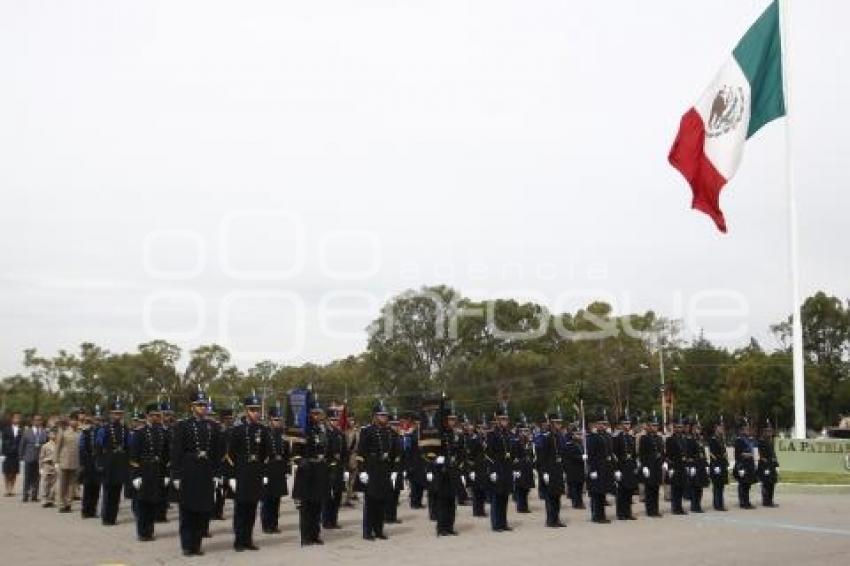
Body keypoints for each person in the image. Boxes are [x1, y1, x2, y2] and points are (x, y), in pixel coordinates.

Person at [171, 389, 222, 557]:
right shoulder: (182, 425)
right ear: (191, 407)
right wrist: (176, 475)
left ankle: (197, 544)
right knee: (187, 511)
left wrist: (216, 474)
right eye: (199, 405)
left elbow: (216, 453)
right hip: (189, 471)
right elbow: (176, 452)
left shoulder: (213, 426)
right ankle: (187, 545)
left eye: (204, 405)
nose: (203, 408)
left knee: (203, 510)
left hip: (206, 471)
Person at [225, 393, 269, 552]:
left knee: (252, 509)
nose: (255, 412)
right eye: (252, 409)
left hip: (255, 473)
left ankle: (248, 539)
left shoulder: (263, 430)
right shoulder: (237, 430)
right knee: (240, 509)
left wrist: (264, 473)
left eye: (257, 409)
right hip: (241, 474)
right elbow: (230, 456)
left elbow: (265, 454)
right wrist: (231, 477)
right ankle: (239, 540)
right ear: (246, 411)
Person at [355, 399, 397, 540]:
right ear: (375, 416)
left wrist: (395, 471)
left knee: (382, 501)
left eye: (385, 415)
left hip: (384, 469)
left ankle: (378, 530)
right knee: (371, 502)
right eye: (381, 415)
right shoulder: (367, 431)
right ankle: (367, 532)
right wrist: (362, 471)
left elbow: (395, 453)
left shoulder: (391, 432)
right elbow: (360, 453)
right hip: (371, 469)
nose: (384, 418)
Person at [292, 397, 330, 546]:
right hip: (307, 472)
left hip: (319, 470)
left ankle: (315, 534)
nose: (317, 416)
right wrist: (302, 462)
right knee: (306, 507)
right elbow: (295, 454)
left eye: (319, 413)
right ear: (308, 414)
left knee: (317, 506)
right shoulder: (301, 430)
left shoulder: (322, 430)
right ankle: (305, 537)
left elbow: (327, 450)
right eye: (314, 413)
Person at [129, 403, 169, 542]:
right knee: (142, 502)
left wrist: (166, 474)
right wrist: (136, 475)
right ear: (147, 416)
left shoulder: (162, 432)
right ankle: (142, 532)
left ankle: (150, 530)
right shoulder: (139, 432)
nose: (155, 417)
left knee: (153, 502)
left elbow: (165, 455)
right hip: (144, 469)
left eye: (158, 415)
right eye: (152, 415)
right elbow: (134, 455)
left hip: (157, 470)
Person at [430, 402, 463, 536]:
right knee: (442, 501)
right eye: (450, 419)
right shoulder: (438, 433)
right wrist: (436, 460)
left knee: (451, 501)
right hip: (441, 471)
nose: (452, 421)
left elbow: (459, 452)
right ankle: (441, 528)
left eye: (454, 419)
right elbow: (428, 450)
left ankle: (449, 526)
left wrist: (459, 465)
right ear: (445, 420)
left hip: (452, 470)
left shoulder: (453, 434)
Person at [96, 399, 130, 525]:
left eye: (120, 413)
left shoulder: (124, 429)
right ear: (110, 414)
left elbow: (128, 446)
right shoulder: (104, 429)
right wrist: (99, 463)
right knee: (108, 492)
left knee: (117, 492)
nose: (118, 416)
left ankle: (113, 517)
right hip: (108, 462)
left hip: (120, 462)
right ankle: (106, 517)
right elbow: (98, 447)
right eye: (115, 413)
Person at [486, 402, 515, 532]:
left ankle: (503, 522)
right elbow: (488, 454)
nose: (505, 421)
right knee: (496, 498)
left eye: (506, 419)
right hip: (497, 469)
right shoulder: (491, 434)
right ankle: (496, 524)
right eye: (502, 419)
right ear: (497, 420)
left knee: (504, 497)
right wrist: (492, 470)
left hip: (507, 469)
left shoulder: (508, 434)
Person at [260, 405, 290, 534]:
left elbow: (287, 454)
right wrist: (263, 472)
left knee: (277, 499)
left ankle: (274, 524)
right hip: (269, 468)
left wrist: (287, 470)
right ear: (270, 419)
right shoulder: (265, 433)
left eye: (279, 419)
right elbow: (261, 453)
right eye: (275, 419)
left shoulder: (283, 434)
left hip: (279, 468)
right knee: (267, 499)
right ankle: (266, 524)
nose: (278, 422)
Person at [536, 411, 566, 527]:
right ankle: (550, 520)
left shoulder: (559, 437)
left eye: (560, 423)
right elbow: (542, 457)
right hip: (549, 470)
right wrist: (544, 472)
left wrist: (564, 470)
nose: (559, 425)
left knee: (557, 496)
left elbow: (562, 454)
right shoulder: (546, 438)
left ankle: (556, 518)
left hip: (558, 469)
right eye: (557, 423)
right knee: (550, 497)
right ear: (552, 423)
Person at [322, 406, 348, 529]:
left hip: (338, 468)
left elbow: (345, 452)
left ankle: (334, 520)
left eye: (336, 419)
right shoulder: (324, 434)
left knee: (337, 495)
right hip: (327, 468)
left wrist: (345, 467)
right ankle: (326, 521)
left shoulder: (340, 434)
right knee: (328, 496)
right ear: (327, 420)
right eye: (332, 419)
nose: (334, 422)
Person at [586, 411, 615, 524]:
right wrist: (592, 470)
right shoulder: (593, 437)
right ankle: (596, 516)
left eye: (604, 423)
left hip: (605, 468)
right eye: (600, 423)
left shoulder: (607, 436)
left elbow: (610, 453)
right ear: (596, 425)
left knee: (602, 493)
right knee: (596, 493)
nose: (602, 425)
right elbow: (591, 454)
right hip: (596, 468)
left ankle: (601, 515)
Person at [54, 411, 82, 513]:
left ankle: (68, 504)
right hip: (64, 461)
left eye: (76, 420)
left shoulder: (79, 432)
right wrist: (56, 462)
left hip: (75, 462)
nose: (75, 422)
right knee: (62, 485)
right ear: (70, 421)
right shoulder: (63, 431)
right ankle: (61, 504)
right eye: (73, 420)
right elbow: (57, 447)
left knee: (72, 485)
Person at [638, 413, 664, 517]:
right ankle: (650, 510)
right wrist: (644, 466)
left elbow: (661, 452)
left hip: (657, 466)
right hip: (649, 466)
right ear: (648, 426)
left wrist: (664, 462)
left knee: (656, 489)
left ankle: (655, 509)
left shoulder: (659, 438)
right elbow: (641, 453)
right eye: (653, 425)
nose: (655, 427)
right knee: (649, 489)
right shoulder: (644, 438)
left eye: (656, 425)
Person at [613, 415, 638, 521]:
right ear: (620, 425)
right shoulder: (617, 438)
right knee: (621, 492)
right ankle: (621, 513)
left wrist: (636, 466)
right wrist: (616, 469)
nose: (627, 426)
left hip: (630, 467)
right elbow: (614, 454)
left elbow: (634, 454)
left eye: (628, 424)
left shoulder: (632, 438)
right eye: (625, 424)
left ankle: (628, 512)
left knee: (629, 491)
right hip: (622, 467)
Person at [79, 408, 103, 518]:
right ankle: (85, 510)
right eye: (96, 419)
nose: (97, 421)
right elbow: (81, 447)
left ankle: (92, 510)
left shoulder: (103, 431)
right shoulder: (86, 432)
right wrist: (82, 463)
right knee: (88, 487)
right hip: (88, 462)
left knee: (96, 488)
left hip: (98, 462)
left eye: (99, 419)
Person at [20, 413, 48, 502]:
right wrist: (21, 456)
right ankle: (25, 495)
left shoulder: (44, 432)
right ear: (32, 421)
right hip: (29, 457)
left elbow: (46, 445)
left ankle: (34, 495)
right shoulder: (27, 431)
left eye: (39, 420)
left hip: (40, 458)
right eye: (36, 420)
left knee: (37, 477)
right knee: (27, 477)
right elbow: (22, 445)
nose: (38, 421)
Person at [665, 416, 689, 515]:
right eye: (677, 427)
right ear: (674, 428)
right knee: (675, 488)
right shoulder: (670, 439)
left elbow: (685, 453)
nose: (679, 429)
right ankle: (675, 508)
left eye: (680, 427)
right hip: (675, 466)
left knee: (681, 487)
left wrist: (687, 465)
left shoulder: (683, 439)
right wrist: (670, 468)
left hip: (682, 466)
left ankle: (680, 507)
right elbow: (668, 455)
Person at [686, 418, 709, 513]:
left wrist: (706, 464)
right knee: (694, 486)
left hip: (701, 464)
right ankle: (694, 505)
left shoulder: (700, 439)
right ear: (692, 428)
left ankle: (698, 504)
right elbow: (689, 454)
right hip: (694, 465)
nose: (698, 429)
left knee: (700, 486)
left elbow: (703, 453)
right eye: (696, 427)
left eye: (699, 428)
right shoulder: (690, 439)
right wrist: (690, 466)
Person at [733, 418, 757, 510]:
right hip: (742, 465)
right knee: (743, 484)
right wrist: (747, 455)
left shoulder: (749, 440)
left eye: (748, 429)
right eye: (746, 429)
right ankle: (743, 502)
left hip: (749, 464)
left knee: (748, 484)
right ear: (741, 430)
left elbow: (752, 452)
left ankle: (747, 501)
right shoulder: (739, 440)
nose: (748, 431)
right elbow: (738, 454)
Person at [563, 423, 586, 509]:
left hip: (580, 468)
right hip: (573, 468)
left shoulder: (581, 444)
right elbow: (572, 456)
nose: (579, 436)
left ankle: (580, 501)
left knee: (580, 486)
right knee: (574, 487)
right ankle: (576, 502)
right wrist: (581, 457)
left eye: (580, 434)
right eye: (577, 434)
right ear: (573, 435)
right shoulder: (570, 444)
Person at [757, 419, 780, 507]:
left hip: (771, 465)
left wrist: (776, 463)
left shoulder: (771, 441)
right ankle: (766, 501)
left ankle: (770, 500)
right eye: (767, 430)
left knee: (772, 483)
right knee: (766, 483)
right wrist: (766, 461)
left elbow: (773, 453)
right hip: (765, 465)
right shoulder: (761, 441)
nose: (769, 432)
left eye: (770, 430)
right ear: (764, 431)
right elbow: (762, 455)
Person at [708, 417, 729, 511]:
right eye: (720, 427)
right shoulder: (713, 439)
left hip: (722, 464)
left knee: (721, 485)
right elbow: (711, 453)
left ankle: (720, 503)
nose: (722, 429)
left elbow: (724, 452)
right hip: (716, 464)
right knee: (717, 485)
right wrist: (716, 465)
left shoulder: (722, 439)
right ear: (716, 428)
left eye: (722, 428)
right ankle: (717, 504)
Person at [1, 411, 23, 496]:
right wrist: (3, 453)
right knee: (6, 472)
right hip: (7, 453)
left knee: (14, 472)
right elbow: (3, 441)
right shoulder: (6, 429)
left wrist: (21, 453)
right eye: (16, 417)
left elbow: (22, 442)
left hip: (16, 454)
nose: (17, 419)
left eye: (19, 418)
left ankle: (12, 488)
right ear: (12, 419)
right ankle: (7, 489)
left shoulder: (21, 430)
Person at [39, 427, 58, 507]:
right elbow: (41, 457)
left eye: (55, 434)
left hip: (55, 466)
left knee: (54, 484)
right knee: (45, 484)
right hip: (47, 466)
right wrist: (40, 468)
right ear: (49, 435)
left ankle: (51, 500)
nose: (53, 435)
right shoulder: (45, 446)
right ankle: (44, 500)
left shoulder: (58, 445)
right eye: (51, 434)